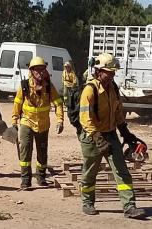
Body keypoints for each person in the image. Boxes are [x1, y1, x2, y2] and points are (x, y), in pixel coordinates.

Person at [79, 52, 146, 219]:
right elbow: (85, 119)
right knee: (90, 171)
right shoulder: (90, 90)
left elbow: (117, 113)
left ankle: (129, 206)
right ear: (99, 71)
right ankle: (87, 202)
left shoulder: (113, 88)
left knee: (121, 170)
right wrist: (97, 139)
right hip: (92, 136)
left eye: (113, 72)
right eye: (109, 72)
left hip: (110, 134)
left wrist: (125, 132)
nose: (112, 75)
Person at [12, 56, 64, 189]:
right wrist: (14, 120)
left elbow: (58, 103)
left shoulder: (48, 87)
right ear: (31, 71)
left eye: (42, 70)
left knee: (42, 152)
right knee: (25, 150)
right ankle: (25, 179)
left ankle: (41, 177)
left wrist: (60, 120)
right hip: (27, 122)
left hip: (43, 124)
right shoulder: (24, 86)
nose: (40, 73)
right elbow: (17, 103)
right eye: (37, 70)